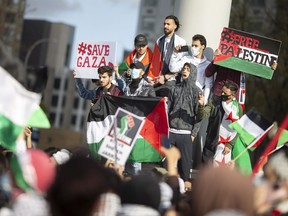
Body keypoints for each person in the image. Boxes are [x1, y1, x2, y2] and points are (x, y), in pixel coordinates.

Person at [169, 34, 213, 169]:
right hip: (183, 93)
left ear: (203, 47)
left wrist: (203, 101)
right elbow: (172, 67)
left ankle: (188, 168)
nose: (193, 48)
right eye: (192, 45)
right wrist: (176, 54)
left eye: (196, 46)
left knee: (196, 125)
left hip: (197, 97)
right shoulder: (186, 59)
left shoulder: (207, 64)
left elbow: (209, 84)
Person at [167, 63, 201, 186]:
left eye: (188, 69)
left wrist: (194, 133)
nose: (185, 71)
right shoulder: (174, 88)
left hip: (186, 134)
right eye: (184, 69)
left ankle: (183, 193)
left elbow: (200, 115)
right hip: (171, 132)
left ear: (193, 72)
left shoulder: (197, 91)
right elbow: (167, 109)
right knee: (167, 163)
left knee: (185, 167)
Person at [199, 81, 242, 165]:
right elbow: (203, 114)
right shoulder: (215, 100)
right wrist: (201, 106)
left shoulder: (237, 109)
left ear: (232, 96)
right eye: (222, 91)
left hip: (224, 143)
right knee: (206, 166)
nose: (222, 94)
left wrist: (230, 144)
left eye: (225, 93)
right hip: (212, 138)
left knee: (218, 167)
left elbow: (239, 128)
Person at [147, 15, 188, 97]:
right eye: (164, 24)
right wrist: (151, 78)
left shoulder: (182, 42)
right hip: (158, 79)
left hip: (172, 80)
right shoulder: (159, 40)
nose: (165, 26)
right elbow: (155, 62)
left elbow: (183, 65)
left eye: (168, 24)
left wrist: (166, 77)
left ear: (175, 26)